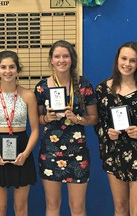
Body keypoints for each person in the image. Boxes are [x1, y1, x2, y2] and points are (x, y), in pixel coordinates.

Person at [34, 40, 98, 216]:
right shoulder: (41, 87)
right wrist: (46, 118)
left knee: (77, 208)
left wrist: (77, 119)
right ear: (51, 60)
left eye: (65, 56)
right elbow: (37, 118)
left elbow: (93, 118)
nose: (61, 60)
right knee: (52, 206)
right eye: (57, 56)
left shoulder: (84, 86)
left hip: (77, 151)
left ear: (72, 59)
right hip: (50, 151)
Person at [0, 50, 39, 216]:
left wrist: (26, 154)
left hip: (22, 149)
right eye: (3, 67)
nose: (7, 71)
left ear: (17, 69)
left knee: (20, 207)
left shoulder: (28, 96)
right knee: (0, 208)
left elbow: (35, 130)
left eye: (12, 67)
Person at [94, 41, 137, 216]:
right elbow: (98, 122)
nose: (127, 64)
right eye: (124, 58)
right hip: (114, 153)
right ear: (117, 59)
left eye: (133, 60)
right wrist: (107, 133)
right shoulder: (103, 89)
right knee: (120, 207)